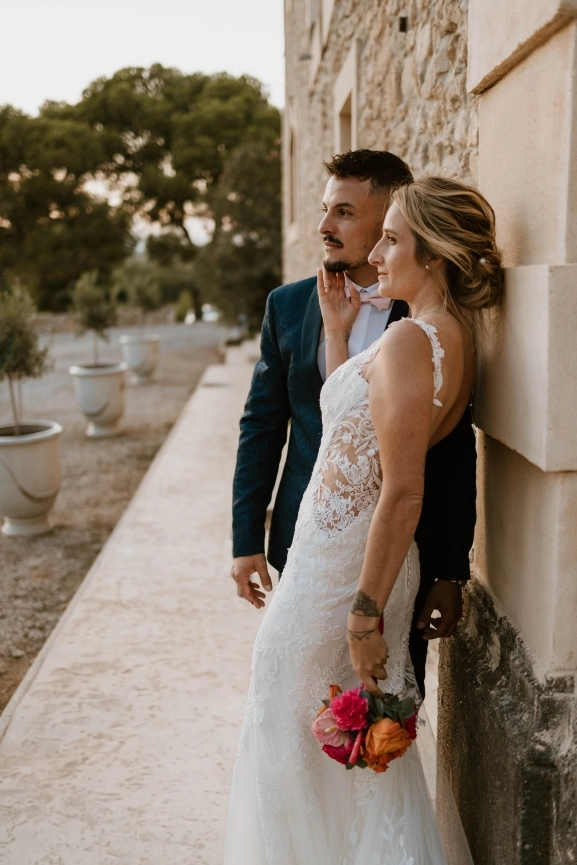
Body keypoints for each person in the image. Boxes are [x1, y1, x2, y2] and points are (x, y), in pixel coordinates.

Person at [224, 177, 504, 863]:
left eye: (391, 240)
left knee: (296, 742)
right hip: (333, 567)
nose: (376, 253)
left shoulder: (410, 339)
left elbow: (402, 493)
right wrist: (337, 335)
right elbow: (364, 429)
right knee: (332, 753)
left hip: (342, 582)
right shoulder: (442, 337)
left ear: (432, 255)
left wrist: (363, 616)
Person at [232, 150, 477, 695]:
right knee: (308, 703)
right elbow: (262, 426)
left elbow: (454, 451)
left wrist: (449, 567)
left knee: (375, 711)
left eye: (343, 212)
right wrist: (246, 537)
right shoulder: (288, 306)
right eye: (325, 209)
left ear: (390, 219)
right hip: (308, 545)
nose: (325, 226)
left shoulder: (421, 323)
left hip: (397, 557)